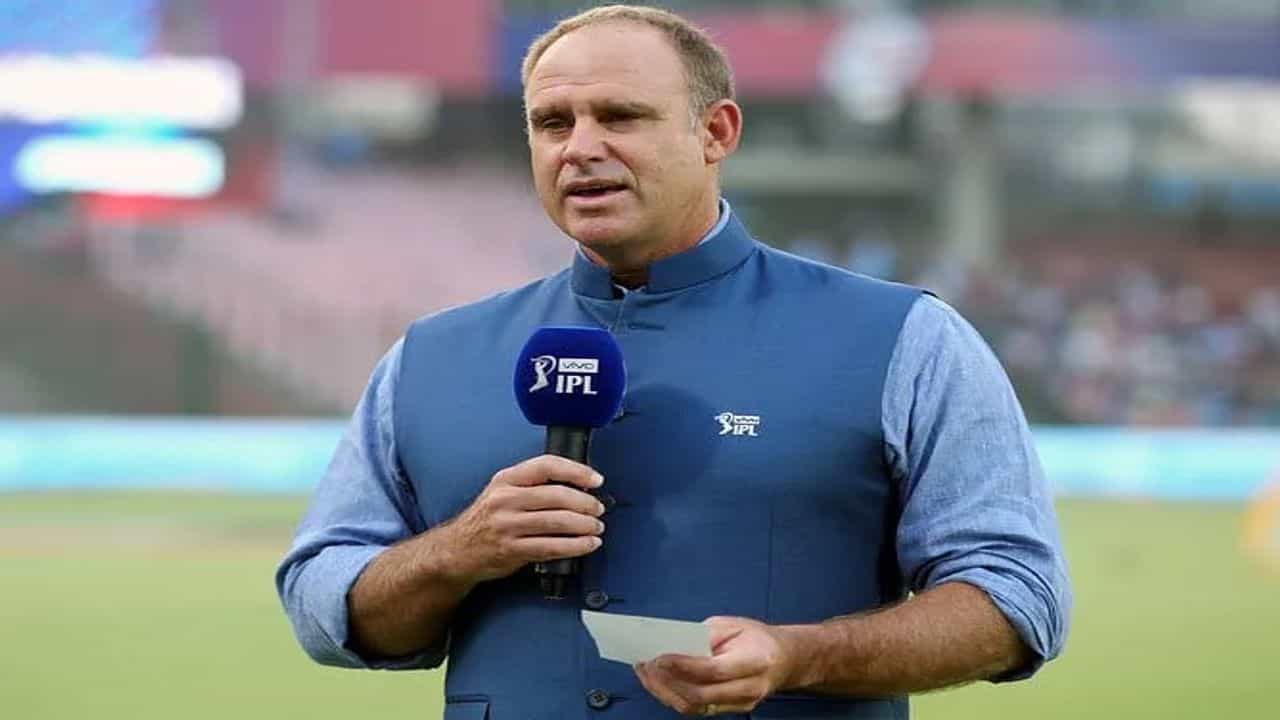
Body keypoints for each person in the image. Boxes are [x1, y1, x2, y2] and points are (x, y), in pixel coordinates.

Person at [276, 5, 1071, 719]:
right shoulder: (431, 355)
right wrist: (457, 552)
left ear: (716, 132)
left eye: (620, 116)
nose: (581, 148)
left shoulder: (906, 339)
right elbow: (320, 603)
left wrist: (799, 657)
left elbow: (1017, 598)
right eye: (553, 123)